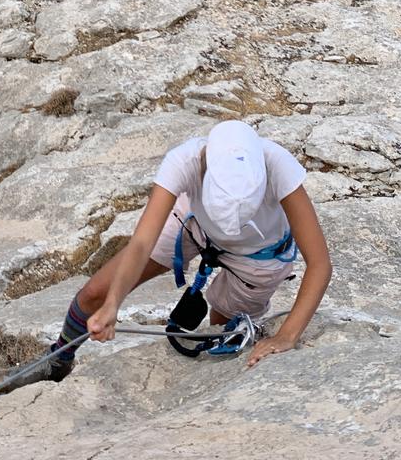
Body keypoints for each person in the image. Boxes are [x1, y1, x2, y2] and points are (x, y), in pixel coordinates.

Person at [48, 120, 331, 377]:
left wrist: (287, 336)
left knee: (219, 331)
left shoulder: (278, 165)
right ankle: (58, 359)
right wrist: (112, 304)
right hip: (193, 221)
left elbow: (319, 264)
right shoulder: (185, 161)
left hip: (260, 254)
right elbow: (142, 242)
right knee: (95, 293)